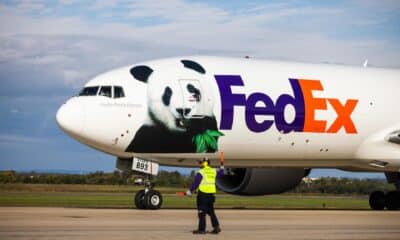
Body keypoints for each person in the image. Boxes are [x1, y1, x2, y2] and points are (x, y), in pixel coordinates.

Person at [186, 157, 224, 234]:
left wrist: (190, 191)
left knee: (201, 213)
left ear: (204, 163)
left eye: (201, 162)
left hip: (203, 195)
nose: (200, 164)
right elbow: (221, 173)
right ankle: (216, 227)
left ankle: (201, 229)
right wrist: (222, 168)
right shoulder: (213, 171)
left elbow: (196, 183)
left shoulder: (201, 172)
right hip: (211, 196)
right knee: (211, 212)